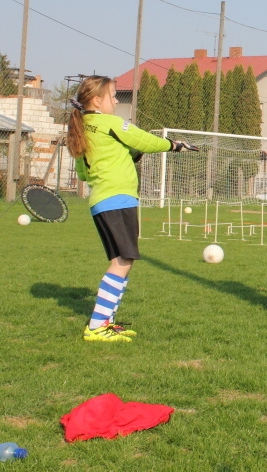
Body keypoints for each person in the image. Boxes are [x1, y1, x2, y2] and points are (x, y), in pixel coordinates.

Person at [67, 76, 194, 342]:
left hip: (102, 201)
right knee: (123, 262)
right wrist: (175, 145)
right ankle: (97, 326)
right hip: (117, 199)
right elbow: (144, 139)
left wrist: (127, 155)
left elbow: (83, 173)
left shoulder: (85, 128)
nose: (115, 100)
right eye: (112, 96)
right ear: (96, 100)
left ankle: (107, 322)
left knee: (123, 261)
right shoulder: (109, 123)